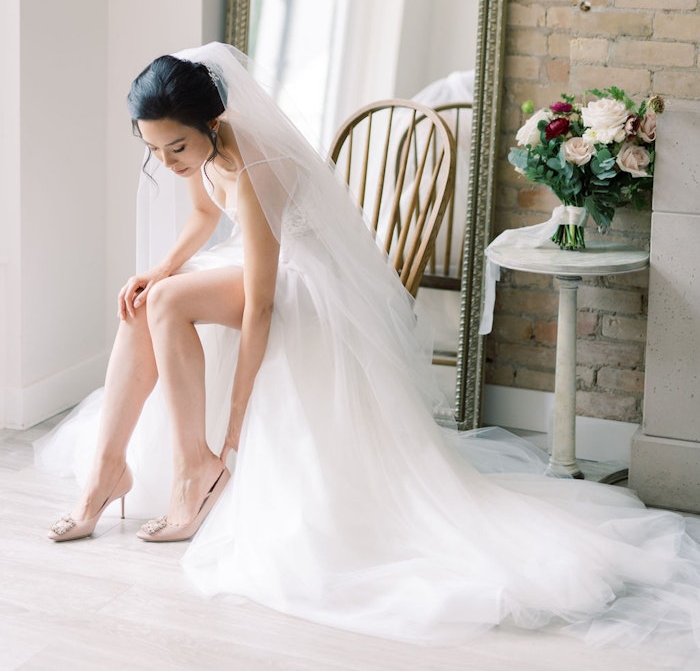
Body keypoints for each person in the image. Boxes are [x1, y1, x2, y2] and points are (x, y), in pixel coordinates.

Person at [37, 42, 700, 654]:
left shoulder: (254, 161)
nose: (167, 161)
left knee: (170, 301)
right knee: (141, 300)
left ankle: (195, 468)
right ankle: (106, 473)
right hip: (253, 264)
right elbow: (206, 217)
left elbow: (265, 301)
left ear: (214, 123)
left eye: (176, 148)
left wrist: (234, 423)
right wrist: (160, 266)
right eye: (154, 150)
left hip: (299, 280)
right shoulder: (194, 148)